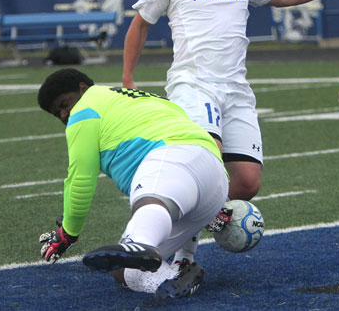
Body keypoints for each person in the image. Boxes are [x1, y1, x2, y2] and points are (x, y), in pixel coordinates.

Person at [122, 0, 339, 204]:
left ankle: (193, 212)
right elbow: (140, 24)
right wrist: (128, 77)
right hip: (194, 85)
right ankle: (179, 240)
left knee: (246, 183)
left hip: (236, 91)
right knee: (208, 158)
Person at [37, 68, 229, 298]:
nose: (64, 114)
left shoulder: (85, 109)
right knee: (123, 271)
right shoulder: (148, 98)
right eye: (56, 113)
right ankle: (179, 272)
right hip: (214, 179)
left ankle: (140, 243)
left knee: (149, 211)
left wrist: (68, 232)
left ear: (82, 88)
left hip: (170, 162)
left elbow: (80, 178)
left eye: (64, 103)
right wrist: (221, 202)